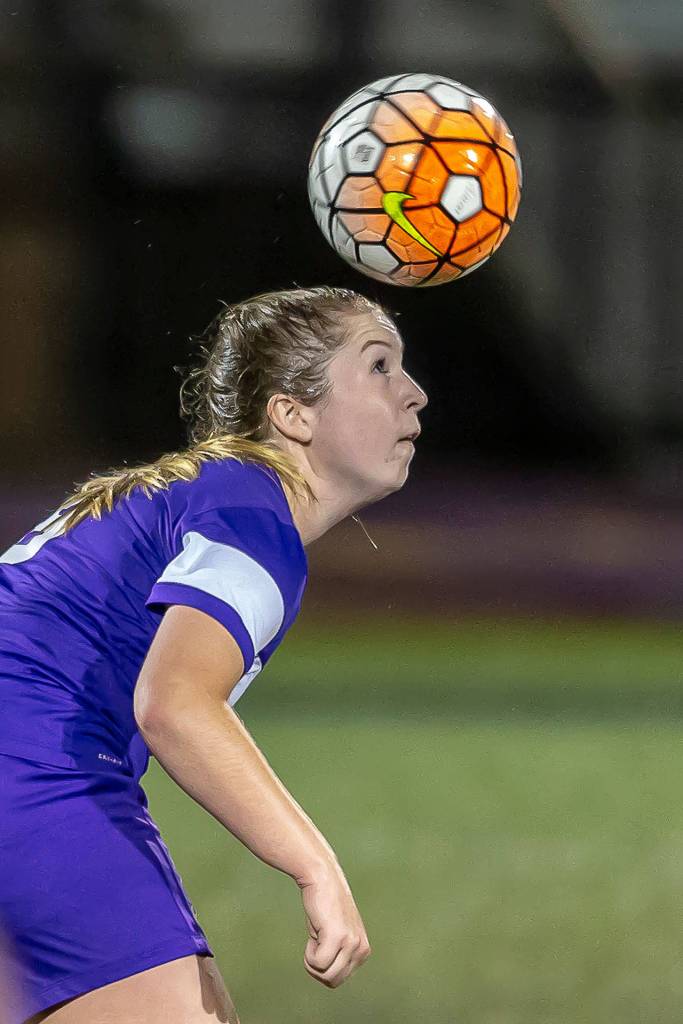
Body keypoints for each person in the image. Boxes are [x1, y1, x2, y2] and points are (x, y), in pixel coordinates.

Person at [0, 285, 428, 1024]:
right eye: (380, 366)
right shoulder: (251, 511)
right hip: (34, 779)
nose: (414, 394)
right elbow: (175, 704)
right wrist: (315, 867)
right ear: (292, 413)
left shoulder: (197, 493)